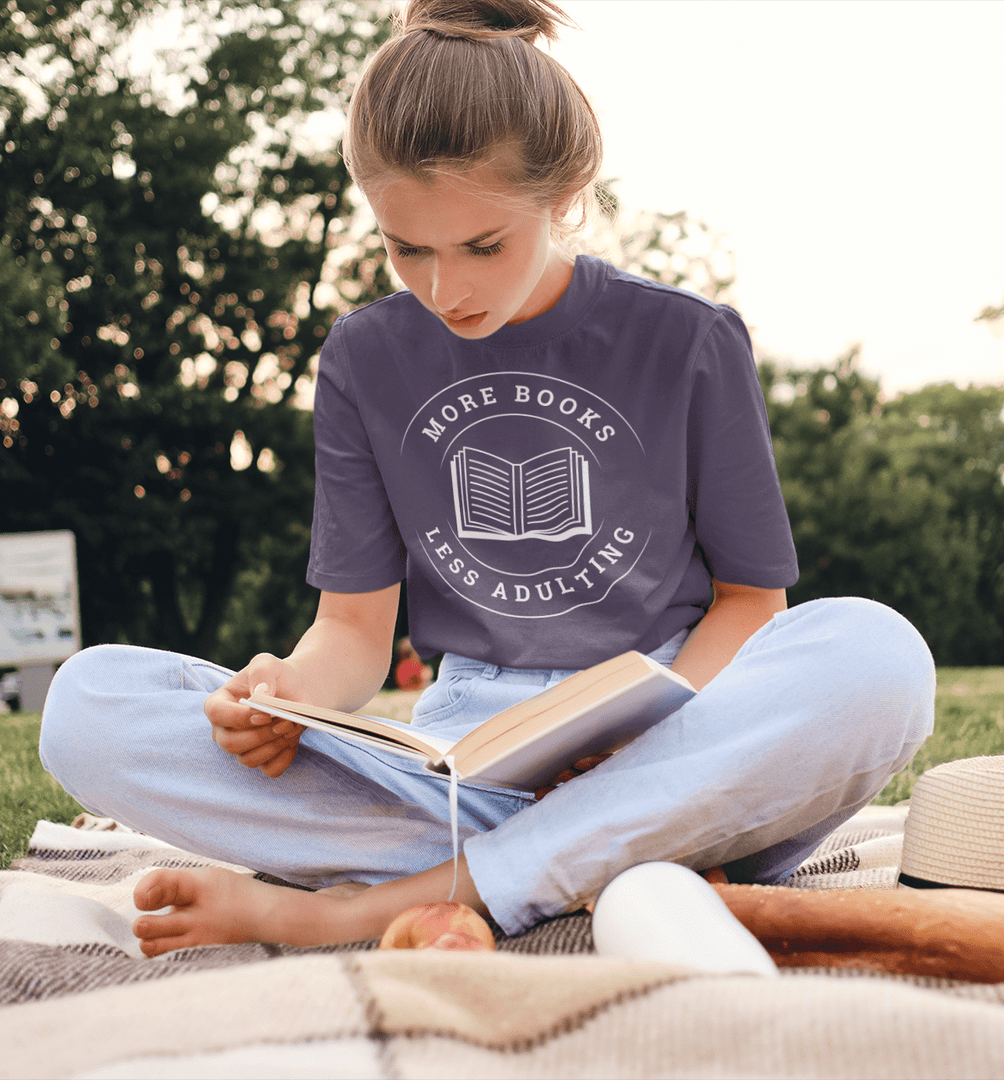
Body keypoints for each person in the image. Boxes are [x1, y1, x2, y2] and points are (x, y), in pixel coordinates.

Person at [39, 0, 935, 958]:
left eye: (481, 246)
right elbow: (351, 635)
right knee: (88, 705)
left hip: (672, 727)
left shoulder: (688, 339)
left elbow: (755, 602)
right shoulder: (363, 358)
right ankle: (613, 858)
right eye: (405, 247)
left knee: (877, 656)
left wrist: (650, 728)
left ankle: (361, 906)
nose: (442, 288)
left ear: (568, 193)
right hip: (461, 766)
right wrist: (284, 697)